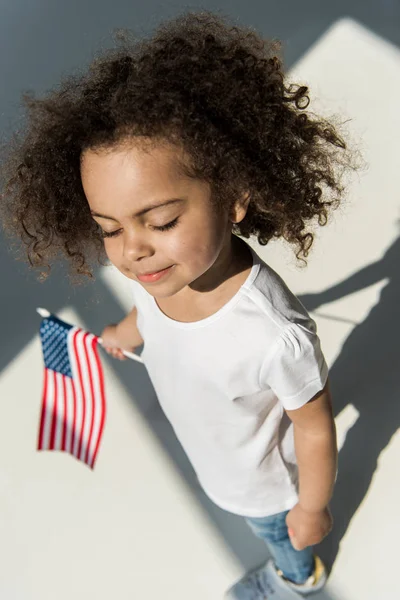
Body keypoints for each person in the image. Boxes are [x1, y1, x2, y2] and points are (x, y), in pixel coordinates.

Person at [1, 10, 356, 599]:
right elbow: (153, 317)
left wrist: (313, 509)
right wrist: (121, 330)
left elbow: (315, 428)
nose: (135, 250)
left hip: (269, 488)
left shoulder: (275, 336)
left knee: (278, 537)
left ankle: (297, 580)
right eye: (109, 229)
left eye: (161, 220)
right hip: (215, 457)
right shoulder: (161, 275)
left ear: (235, 197)